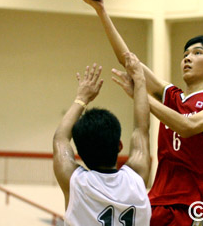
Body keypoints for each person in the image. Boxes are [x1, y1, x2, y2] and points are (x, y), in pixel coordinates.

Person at [70, 0, 203, 226]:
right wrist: (101, 11)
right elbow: (128, 60)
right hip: (157, 200)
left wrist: (141, 96)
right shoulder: (172, 96)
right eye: (185, 53)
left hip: (194, 206)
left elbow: (188, 127)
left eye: (197, 53)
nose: (187, 57)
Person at [53, 52, 152, 225]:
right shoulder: (136, 176)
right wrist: (140, 83)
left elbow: (60, 139)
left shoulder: (75, 183)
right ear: (119, 146)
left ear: (80, 154)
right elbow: (141, 129)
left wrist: (82, 98)